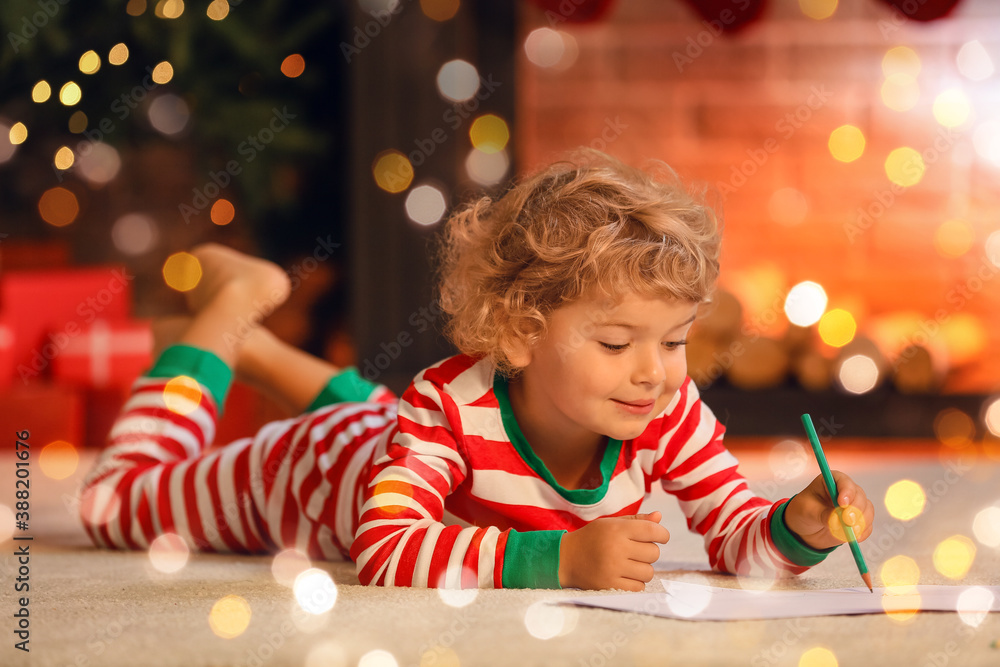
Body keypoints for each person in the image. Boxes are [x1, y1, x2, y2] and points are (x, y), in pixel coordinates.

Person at [79, 149, 875, 590]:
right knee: (114, 504)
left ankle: (252, 351)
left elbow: (738, 540)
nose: (655, 373)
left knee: (379, 415)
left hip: (383, 430)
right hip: (315, 474)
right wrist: (556, 558)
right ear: (522, 334)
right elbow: (385, 547)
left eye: (673, 341)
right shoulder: (448, 400)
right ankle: (228, 314)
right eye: (615, 342)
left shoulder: (666, 406)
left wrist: (797, 527)